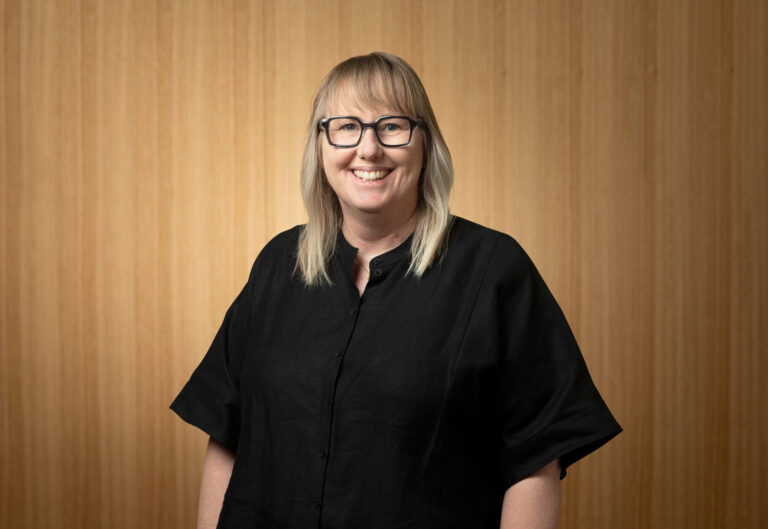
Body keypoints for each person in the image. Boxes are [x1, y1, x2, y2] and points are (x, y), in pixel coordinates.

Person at [170, 51, 622, 529]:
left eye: (392, 126)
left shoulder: (494, 271)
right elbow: (227, 431)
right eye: (345, 126)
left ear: (425, 143)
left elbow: (536, 459)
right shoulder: (277, 265)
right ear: (320, 145)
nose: (368, 149)